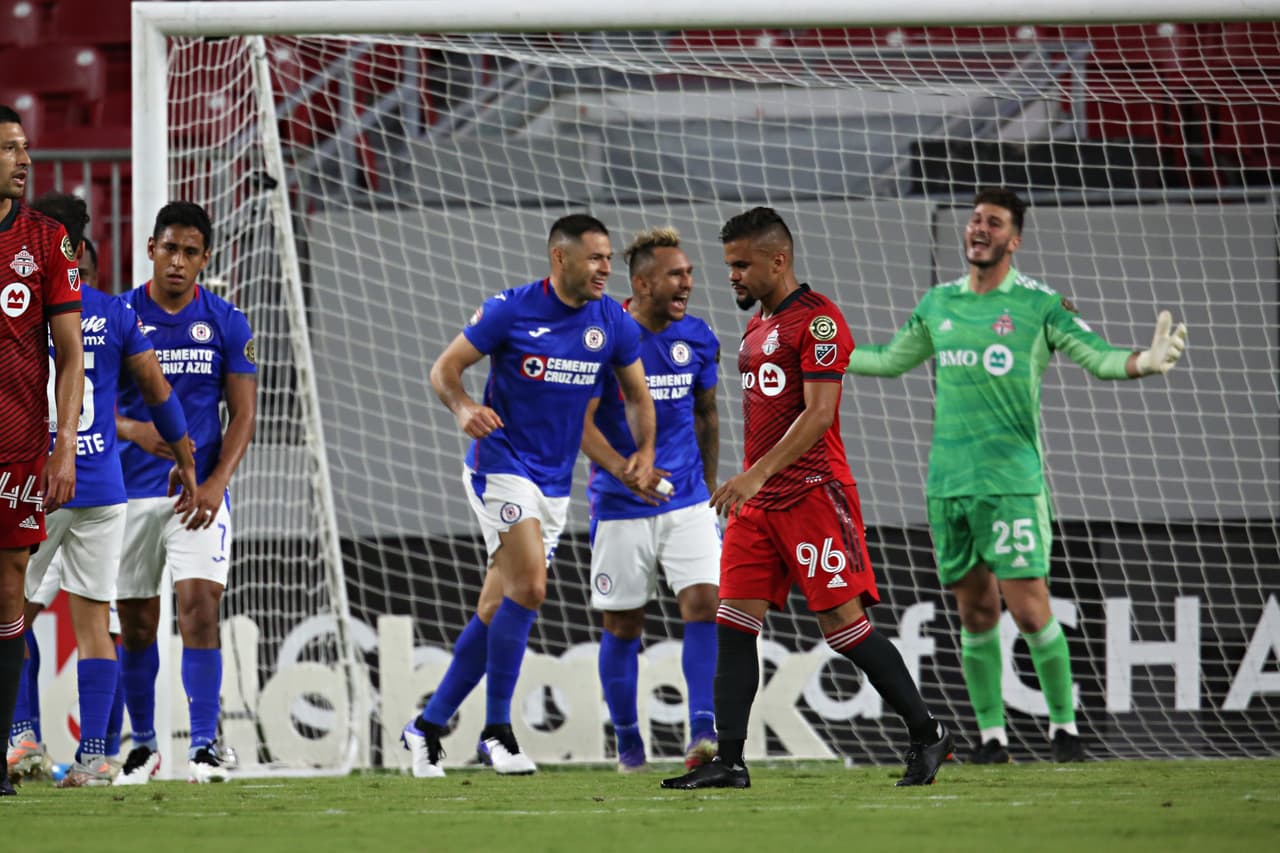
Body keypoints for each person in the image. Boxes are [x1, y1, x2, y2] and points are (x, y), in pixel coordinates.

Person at [844, 187, 1188, 763]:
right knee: (975, 613)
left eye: (993, 223)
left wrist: (1142, 362)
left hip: (1012, 485)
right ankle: (992, 739)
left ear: (1014, 239)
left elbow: (1098, 357)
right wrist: (820, 351)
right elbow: (888, 360)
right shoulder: (938, 303)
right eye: (975, 220)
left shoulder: (1040, 304)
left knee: (1029, 609)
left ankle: (1065, 731)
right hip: (949, 486)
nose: (979, 229)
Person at [662, 207, 952, 791]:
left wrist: (754, 475)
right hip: (759, 504)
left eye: (742, 265)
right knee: (733, 623)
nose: (733, 276)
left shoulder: (819, 323)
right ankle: (732, 760)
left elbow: (820, 416)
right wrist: (752, 484)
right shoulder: (756, 326)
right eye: (729, 265)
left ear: (779, 259)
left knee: (844, 627)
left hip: (813, 496)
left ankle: (928, 734)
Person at [401, 214, 656, 778]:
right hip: (499, 464)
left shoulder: (611, 320)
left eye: (608, 258)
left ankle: (424, 729)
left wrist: (645, 450)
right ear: (559, 258)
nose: (605, 268)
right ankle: (497, 732)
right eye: (595, 258)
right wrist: (465, 408)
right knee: (533, 587)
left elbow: (638, 395)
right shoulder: (510, 309)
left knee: (496, 609)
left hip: (553, 482)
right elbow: (444, 369)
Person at [6, 193, 198, 789]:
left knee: (13, 613)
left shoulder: (22, 311)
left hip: (37, 481)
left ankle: (22, 737)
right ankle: (93, 757)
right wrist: (187, 461)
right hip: (103, 489)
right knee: (95, 624)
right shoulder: (116, 313)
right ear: (85, 247)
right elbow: (160, 392)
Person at [113, 201, 257, 785]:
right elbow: (86, 404)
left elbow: (244, 414)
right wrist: (132, 430)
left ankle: (202, 746)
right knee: (139, 624)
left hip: (197, 496)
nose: (178, 261)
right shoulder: (118, 315)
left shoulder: (228, 320)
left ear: (205, 258)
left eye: (190, 252)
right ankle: (144, 745)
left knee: (200, 610)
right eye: (169, 248)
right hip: (124, 493)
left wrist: (218, 483)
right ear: (150, 248)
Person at [580, 227, 720, 773]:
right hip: (619, 505)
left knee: (706, 604)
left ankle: (703, 732)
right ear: (641, 283)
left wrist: (706, 493)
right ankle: (629, 742)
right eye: (676, 275)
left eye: (688, 273)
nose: (687, 282)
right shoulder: (601, 335)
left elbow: (706, 414)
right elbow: (579, 425)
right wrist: (623, 469)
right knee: (623, 626)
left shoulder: (699, 336)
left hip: (686, 502)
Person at [0, 105, 84, 797]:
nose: (23, 159)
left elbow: (71, 355)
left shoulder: (47, 240)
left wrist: (63, 448)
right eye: (8, 148)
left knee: (8, 594)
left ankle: (4, 751)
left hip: (18, 449)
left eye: (25, 147)